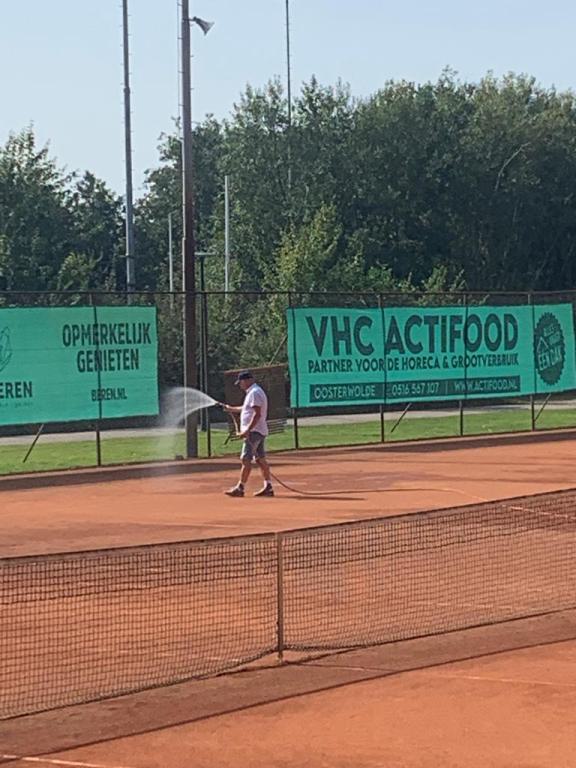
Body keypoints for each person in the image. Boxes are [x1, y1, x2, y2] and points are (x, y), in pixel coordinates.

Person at [220, 370, 274, 498]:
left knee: (246, 459)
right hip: (257, 431)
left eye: (241, 382)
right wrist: (230, 408)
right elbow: (246, 409)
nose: (240, 385)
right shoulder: (252, 393)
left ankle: (240, 488)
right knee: (260, 459)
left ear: (248, 380)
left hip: (254, 432)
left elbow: (257, 414)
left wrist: (247, 430)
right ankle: (268, 487)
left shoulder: (255, 393)